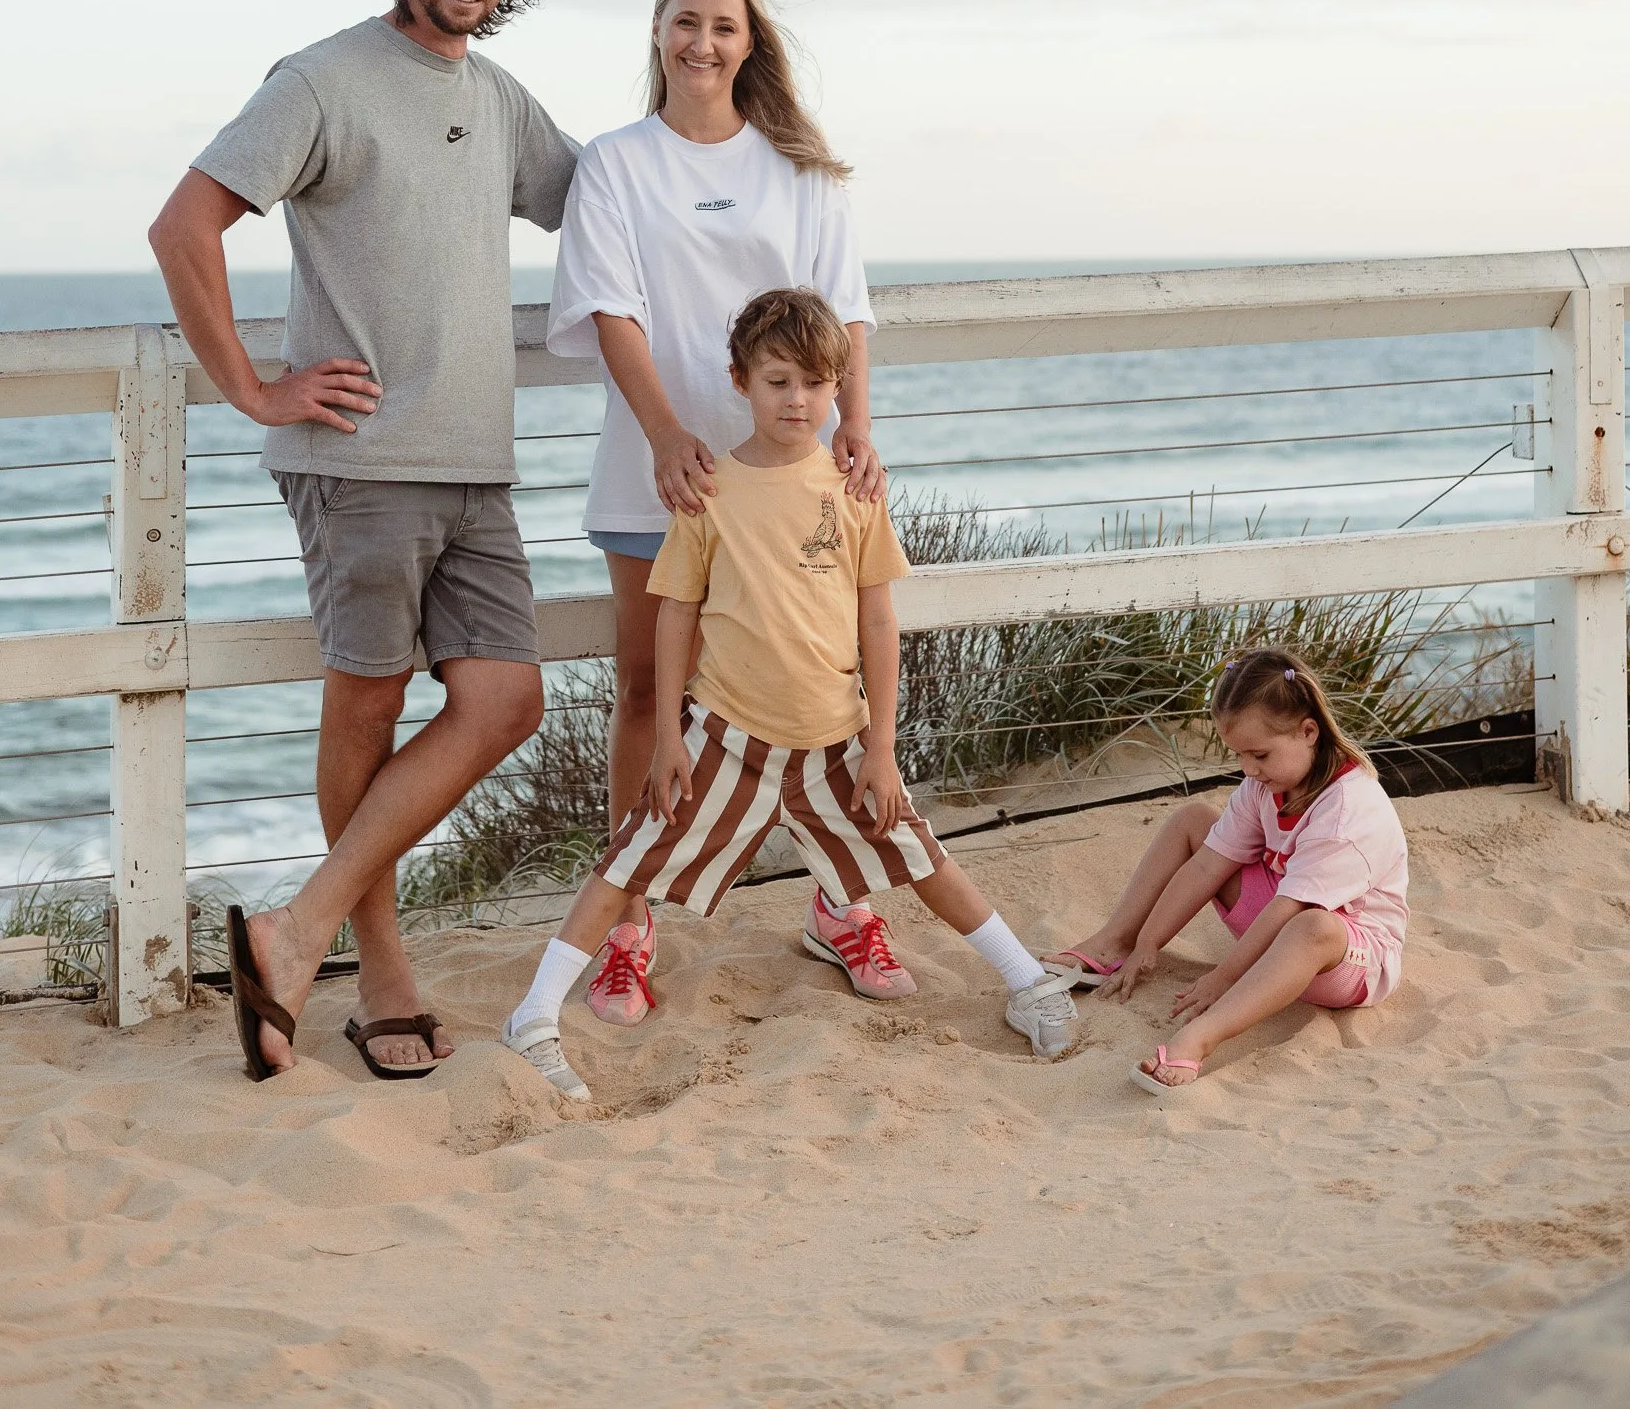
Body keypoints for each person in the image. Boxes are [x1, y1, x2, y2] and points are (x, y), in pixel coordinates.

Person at [148, 0, 578, 1082]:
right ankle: (375, 975)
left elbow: (601, 199)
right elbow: (186, 223)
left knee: (504, 700)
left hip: (472, 465)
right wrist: (251, 385)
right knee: (370, 707)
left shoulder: (495, 100)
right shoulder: (324, 79)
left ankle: (293, 930)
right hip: (358, 461)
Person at [500, 288, 1082, 1098]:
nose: (797, 399)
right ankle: (531, 1017)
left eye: (814, 383)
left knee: (917, 854)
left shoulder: (853, 491)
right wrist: (668, 736)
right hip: (727, 736)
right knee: (630, 856)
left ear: (836, 387)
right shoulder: (709, 490)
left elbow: (878, 625)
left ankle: (1026, 982)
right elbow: (674, 618)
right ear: (739, 381)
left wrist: (880, 747)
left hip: (834, 739)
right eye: (777, 381)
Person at [544, 0, 884, 1023]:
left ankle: (840, 904)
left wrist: (857, 432)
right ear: (657, 34)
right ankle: (627, 927)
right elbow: (610, 307)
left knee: (819, 680)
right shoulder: (614, 164)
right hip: (664, 476)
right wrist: (664, 434)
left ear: (750, 43)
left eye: (723, 26)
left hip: (793, 480)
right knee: (650, 694)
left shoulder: (801, 170)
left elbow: (847, 313)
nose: (702, 42)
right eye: (684, 22)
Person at [1050, 647, 1409, 1098]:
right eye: (1239, 755)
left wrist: (1225, 977)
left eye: (1259, 755)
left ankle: (1199, 1039)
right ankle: (1117, 943)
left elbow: (1290, 909)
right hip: (1277, 924)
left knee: (1313, 924)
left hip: (1345, 957)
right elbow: (1206, 864)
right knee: (1194, 821)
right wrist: (1150, 941)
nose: (1249, 770)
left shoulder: (1349, 809)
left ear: (1308, 732)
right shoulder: (1264, 785)